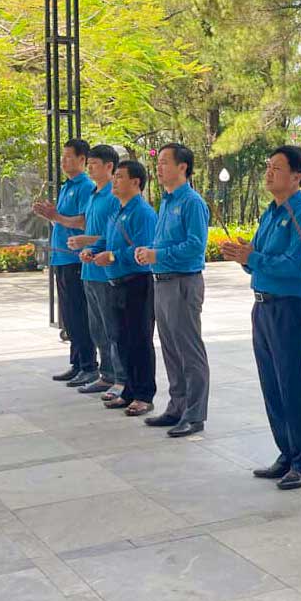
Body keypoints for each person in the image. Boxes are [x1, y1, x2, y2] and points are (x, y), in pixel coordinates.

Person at [222, 146, 301, 490]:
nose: (268, 173)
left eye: (277, 168)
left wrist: (256, 257)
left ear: (297, 177)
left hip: (290, 307)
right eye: (268, 166)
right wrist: (243, 256)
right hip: (263, 305)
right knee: (272, 384)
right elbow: (259, 258)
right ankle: (287, 452)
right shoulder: (270, 212)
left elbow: (298, 265)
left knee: (294, 384)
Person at [135, 143, 211, 438]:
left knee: (188, 349)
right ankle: (176, 406)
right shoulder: (166, 202)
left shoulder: (192, 202)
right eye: (159, 162)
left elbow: (195, 246)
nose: (159, 167)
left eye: (165, 162)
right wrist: (149, 252)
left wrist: (158, 256)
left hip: (183, 282)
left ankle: (195, 414)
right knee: (170, 348)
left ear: (183, 167)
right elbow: (163, 242)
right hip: (162, 281)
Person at [90, 160, 158, 415]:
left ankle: (144, 394)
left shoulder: (144, 212)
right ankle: (128, 389)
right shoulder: (117, 210)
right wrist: (94, 251)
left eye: (119, 177)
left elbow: (143, 249)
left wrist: (113, 256)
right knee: (120, 339)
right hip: (115, 283)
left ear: (135, 182)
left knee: (139, 340)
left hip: (137, 283)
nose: (115, 181)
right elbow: (107, 240)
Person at [32, 139, 98, 386]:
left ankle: (89, 365)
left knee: (80, 313)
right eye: (63, 157)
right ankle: (76, 362)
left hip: (75, 258)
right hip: (60, 255)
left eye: (70, 157)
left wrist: (55, 215)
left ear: (83, 160)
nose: (64, 161)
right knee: (68, 315)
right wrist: (49, 215)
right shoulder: (66, 186)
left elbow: (82, 222)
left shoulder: (85, 187)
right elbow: (60, 220)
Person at [70, 144, 123, 396]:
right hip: (89, 269)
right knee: (97, 328)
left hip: (106, 272)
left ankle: (120, 378)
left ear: (109, 167)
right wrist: (85, 247)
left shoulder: (114, 196)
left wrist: (86, 241)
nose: (89, 167)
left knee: (112, 328)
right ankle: (106, 374)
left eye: (94, 163)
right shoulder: (93, 194)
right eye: (88, 163)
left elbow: (112, 235)